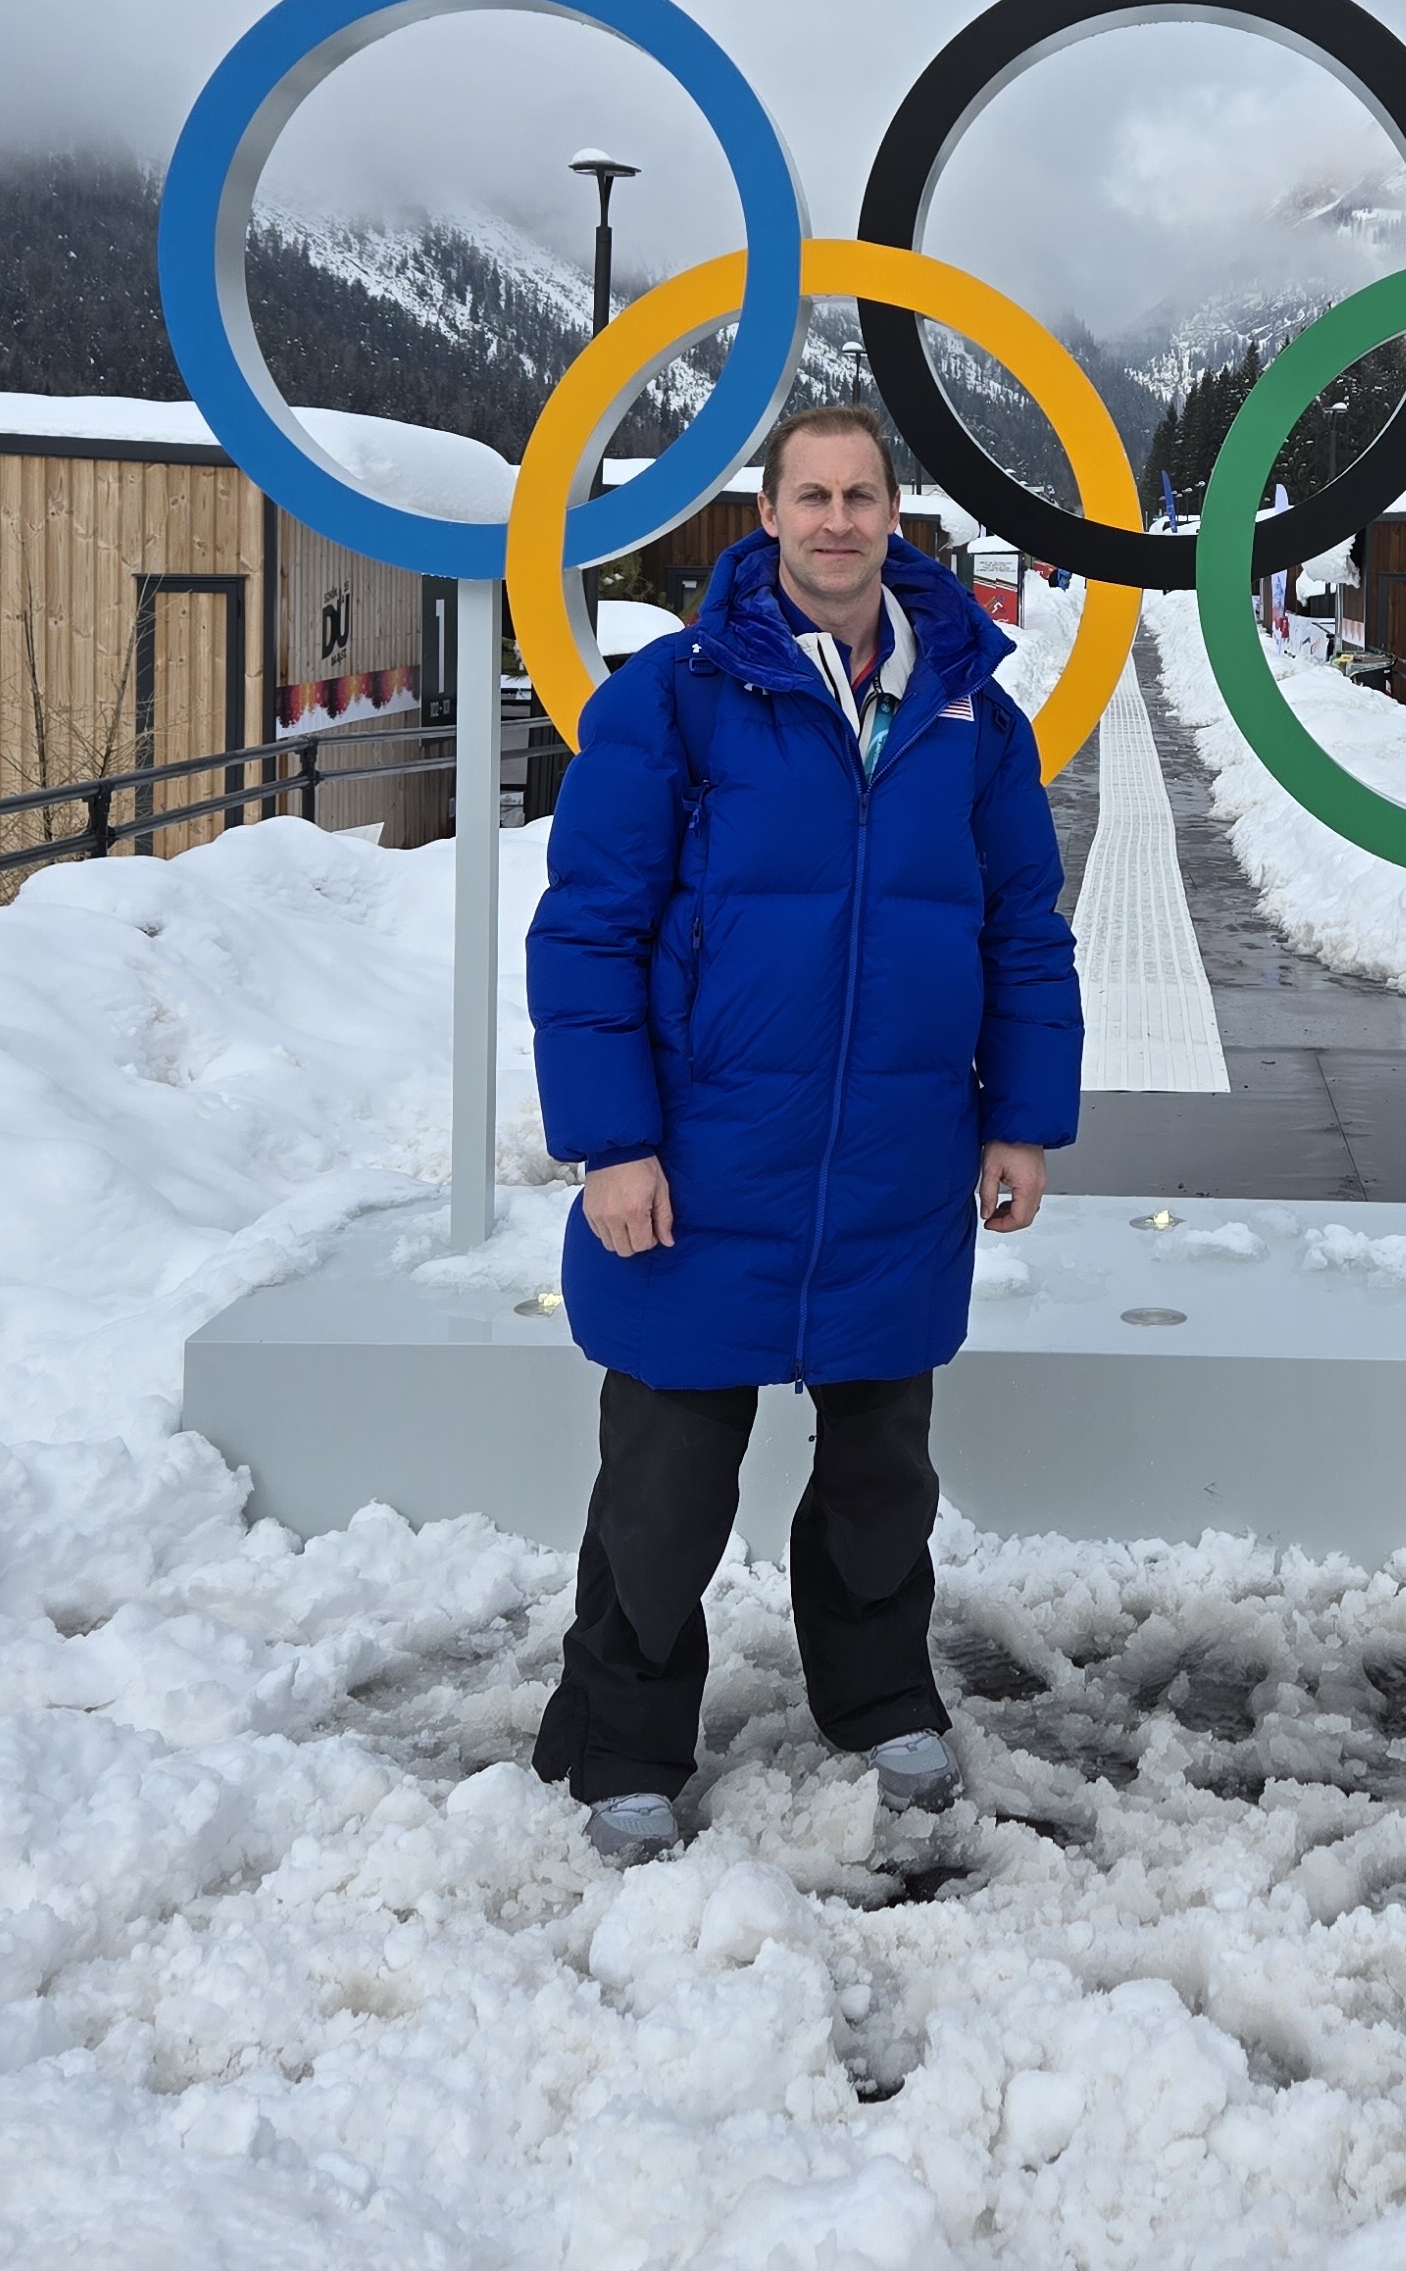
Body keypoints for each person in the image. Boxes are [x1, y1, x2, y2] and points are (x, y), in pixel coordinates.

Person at [525, 403, 1081, 1863]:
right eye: (810, 495)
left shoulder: (970, 713)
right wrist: (614, 1145)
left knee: (882, 1469)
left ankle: (882, 1691)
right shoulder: (673, 701)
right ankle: (625, 1740)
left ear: (895, 516)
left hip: (895, 1156)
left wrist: (1021, 1121)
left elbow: (1025, 929)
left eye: (862, 495)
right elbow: (587, 932)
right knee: (663, 1480)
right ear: (764, 516)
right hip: (701, 1162)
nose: (837, 520)